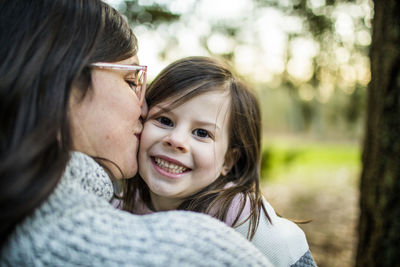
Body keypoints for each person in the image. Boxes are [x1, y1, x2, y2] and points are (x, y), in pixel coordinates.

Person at [0, 1, 274, 266]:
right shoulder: (204, 252)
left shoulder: (251, 226)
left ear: (230, 159)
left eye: (201, 132)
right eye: (132, 81)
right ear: (61, 84)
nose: (144, 108)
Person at [120, 57, 317, 267]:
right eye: (165, 120)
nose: (176, 140)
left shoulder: (240, 217)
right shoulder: (119, 202)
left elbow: (288, 252)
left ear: (228, 160)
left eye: (202, 133)